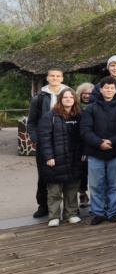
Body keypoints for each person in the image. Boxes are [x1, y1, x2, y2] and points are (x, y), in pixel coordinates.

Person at [80, 76, 116, 225]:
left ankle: (112, 212)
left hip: (115, 152)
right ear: (100, 90)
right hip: (95, 152)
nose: (109, 90)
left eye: (112, 88)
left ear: (115, 90)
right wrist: (99, 143)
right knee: (96, 185)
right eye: (106, 88)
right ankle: (98, 213)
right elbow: (85, 130)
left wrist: (112, 141)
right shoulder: (91, 108)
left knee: (114, 184)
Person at [39, 88, 84, 227]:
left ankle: (71, 214)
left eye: (71, 97)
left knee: (72, 188)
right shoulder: (50, 116)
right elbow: (44, 138)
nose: (68, 99)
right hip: (56, 158)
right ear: (60, 99)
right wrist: (49, 156)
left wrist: (84, 152)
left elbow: (83, 136)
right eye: (65, 97)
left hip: (75, 157)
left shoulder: (79, 115)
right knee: (55, 189)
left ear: (75, 100)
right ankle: (54, 216)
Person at [28, 68, 68, 218]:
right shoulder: (39, 99)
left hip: (65, 140)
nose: (55, 78)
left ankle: (69, 207)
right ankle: (43, 205)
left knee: (67, 174)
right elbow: (32, 122)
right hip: (45, 142)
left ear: (62, 78)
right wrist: (36, 139)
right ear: (47, 78)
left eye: (58, 76)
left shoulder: (69, 95)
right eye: (52, 76)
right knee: (44, 174)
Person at [74, 82, 94, 207]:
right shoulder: (75, 107)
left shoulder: (96, 106)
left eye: (90, 93)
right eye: (84, 93)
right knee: (80, 171)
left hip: (92, 142)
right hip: (77, 143)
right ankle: (82, 192)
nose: (87, 96)